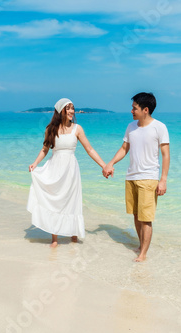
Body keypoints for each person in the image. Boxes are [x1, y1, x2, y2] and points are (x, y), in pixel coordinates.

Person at [27, 98, 107, 248]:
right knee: (55, 201)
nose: (71, 111)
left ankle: (74, 236)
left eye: (73, 108)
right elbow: (45, 149)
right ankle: (55, 238)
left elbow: (89, 149)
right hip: (54, 168)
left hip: (71, 170)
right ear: (60, 111)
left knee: (72, 201)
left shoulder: (77, 128)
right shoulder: (50, 129)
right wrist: (35, 163)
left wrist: (104, 165)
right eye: (68, 108)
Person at [103, 92, 170, 262]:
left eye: (134, 108)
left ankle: (143, 254)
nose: (131, 110)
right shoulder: (131, 127)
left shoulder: (159, 127)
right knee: (135, 215)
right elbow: (124, 148)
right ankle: (141, 245)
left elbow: (165, 155)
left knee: (146, 218)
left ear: (145, 110)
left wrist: (163, 180)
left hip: (149, 178)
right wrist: (110, 163)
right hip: (131, 177)